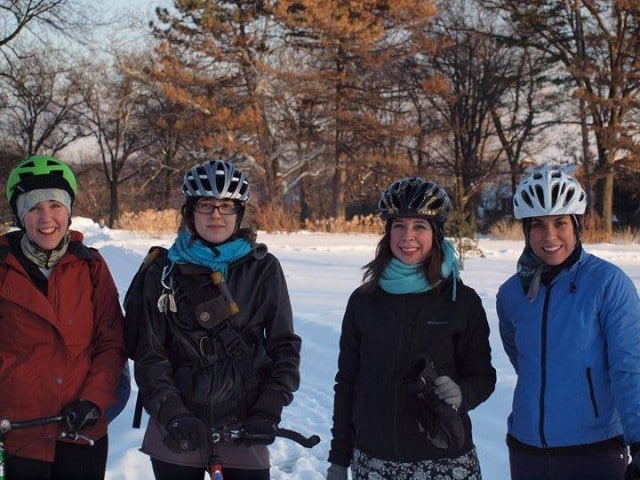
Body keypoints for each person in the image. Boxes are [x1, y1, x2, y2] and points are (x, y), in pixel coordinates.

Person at [125, 157, 301, 480]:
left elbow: (284, 347)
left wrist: (269, 409)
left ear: (240, 214)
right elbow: (151, 358)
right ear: (190, 212)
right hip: (177, 426)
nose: (216, 215)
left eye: (226, 206)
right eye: (206, 205)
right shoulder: (162, 272)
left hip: (246, 426)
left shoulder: (264, 269)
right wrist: (174, 415)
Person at [326, 176, 496, 480]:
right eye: (399, 225)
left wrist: (462, 393)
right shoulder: (364, 301)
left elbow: (483, 376)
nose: (408, 237)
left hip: (445, 462)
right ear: (388, 232)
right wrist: (339, 459)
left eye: (420, 226)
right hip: (375, 462)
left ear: (436, 233)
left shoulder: (461, 301)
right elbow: (348, 384)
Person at [497, 166, 640, 480]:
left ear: (577, 225)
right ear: (526, 230)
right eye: (538, 225)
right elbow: (523, 361)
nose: (549, 236)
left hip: (594, 451)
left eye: (560, 222)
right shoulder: (511, 294)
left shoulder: (607, 283)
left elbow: (630, 366)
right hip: (527, 450)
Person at [0, 154, 127, 479]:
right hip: (18, 434)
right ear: (20, 214)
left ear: (69, 211)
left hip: (82, 430)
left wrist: (92, 401)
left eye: (55, 205)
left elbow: (111, 345)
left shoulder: (90, 266)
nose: (47, 217)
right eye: (34, 206)